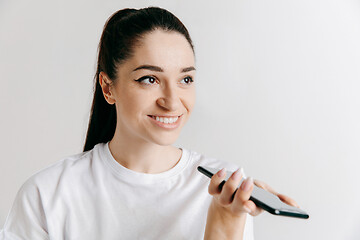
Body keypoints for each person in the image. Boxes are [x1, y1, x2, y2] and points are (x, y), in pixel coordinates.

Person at [0, 7, 298, 240]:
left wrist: (226, 219)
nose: (171, 100)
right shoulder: (48, 194)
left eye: (185, 79)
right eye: (149, 79)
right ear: (108, 88)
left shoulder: (224, 191)